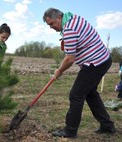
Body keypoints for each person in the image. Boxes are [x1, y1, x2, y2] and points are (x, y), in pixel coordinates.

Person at [43, 8, 116, 138]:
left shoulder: (70, 29)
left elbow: (70, 58)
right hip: (103, 59)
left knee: (76, 95)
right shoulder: (73, 19)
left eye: (51, 24)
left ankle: (70, 131)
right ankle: (107, 126)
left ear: (59, 18)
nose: (51, 27)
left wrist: (58, 71)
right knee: (90, 93)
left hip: (95, 63)